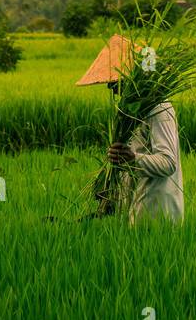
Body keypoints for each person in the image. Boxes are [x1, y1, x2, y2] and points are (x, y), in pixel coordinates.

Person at [76, 35, 184, 224]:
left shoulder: (158, 107)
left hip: (158, 214)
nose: (111, 87)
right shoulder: (131, 111)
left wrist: (131, 158)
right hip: (136, 210)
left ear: (133, 77)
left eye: (116, 80)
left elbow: (168, 162)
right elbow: (133, 159)